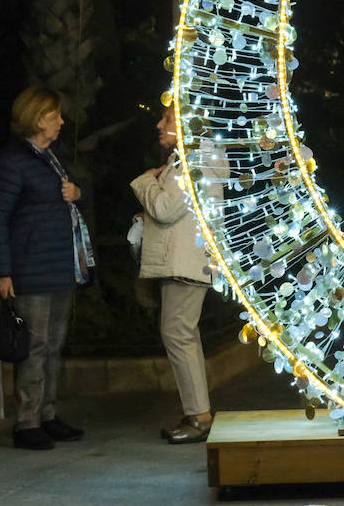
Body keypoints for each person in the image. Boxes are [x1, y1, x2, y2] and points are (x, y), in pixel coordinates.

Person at [0, 85, 95, 450]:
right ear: (36, 118)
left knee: (53, 347)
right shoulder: (13, 161)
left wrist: (77, 193)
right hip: (30, 270)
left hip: (60, 267)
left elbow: (71, 194)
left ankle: (46, 415)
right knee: (34, 347)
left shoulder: (52, 156)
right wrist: (2, 272)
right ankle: (27, 422)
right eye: (54, 116)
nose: (61, 122)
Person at [129, 104, 226, 444]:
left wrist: (145, 180)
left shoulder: (194, 162)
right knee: (183, 335)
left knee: (178, 335)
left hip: (185, 263)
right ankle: (197, 413)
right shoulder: (192, 161)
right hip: (185, 261)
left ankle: (199, 417)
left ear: (185, 124)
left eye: (167, 119)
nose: (159, 124)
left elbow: (166, 209)